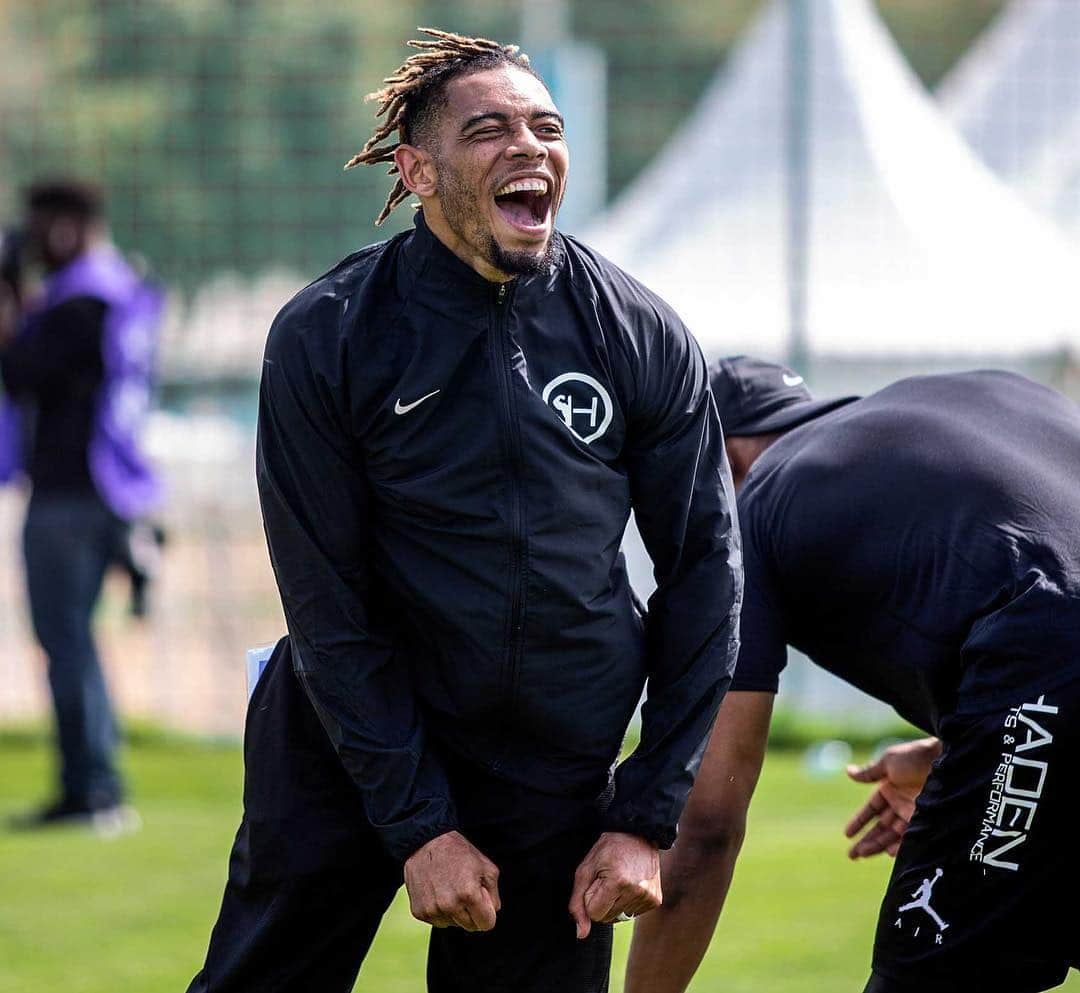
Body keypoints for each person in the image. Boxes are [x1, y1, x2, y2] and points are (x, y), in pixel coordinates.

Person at [185, 29, 741, 993]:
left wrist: (644, 813)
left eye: (547, 126)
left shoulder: (637, 331)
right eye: (489, 131)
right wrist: (419, 823)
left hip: (550, 770)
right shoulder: (331, 334)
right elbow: (329, 603)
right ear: (418, 169)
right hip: (350, 736)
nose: (529, 148)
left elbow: (704, 573)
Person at [624, 355, 1080, 993]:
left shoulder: (757, 507)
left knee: (931, 973)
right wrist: (952, 752)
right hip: (1042, 683)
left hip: (1042, 671)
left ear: (721, 460)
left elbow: (706, 826)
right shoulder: (983, 391)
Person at [0, 180, 163, 831]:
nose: (34, 239)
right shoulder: (120, 286)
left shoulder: (81, 301)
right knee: (78, 641)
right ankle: (95, 783)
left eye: (41, 226)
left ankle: (90, 789)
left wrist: (11, 290)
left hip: (74, 493)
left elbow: (18, 369)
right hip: (115, 486)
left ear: (68, 224)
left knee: (64, 640)